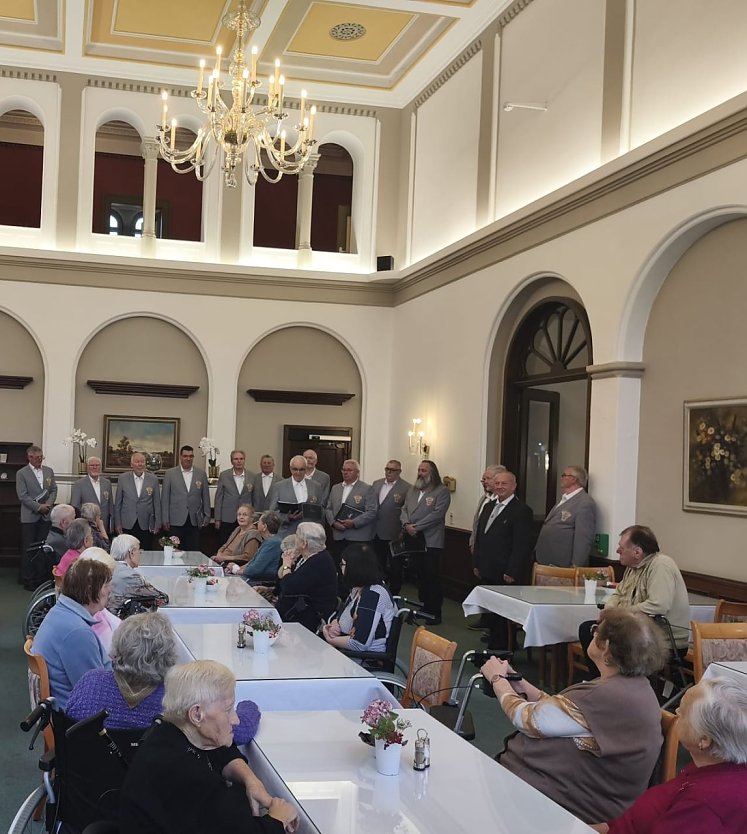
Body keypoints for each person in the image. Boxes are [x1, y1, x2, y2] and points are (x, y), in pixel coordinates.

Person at [481, 608, 668, 825]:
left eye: (596, 630)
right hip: (586, 793)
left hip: (569, 805)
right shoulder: (633, 687)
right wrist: (520, 684)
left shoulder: (605, 695)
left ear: (607, 647)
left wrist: (497, 680)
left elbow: (527, 720)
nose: (593, 633)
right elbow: (565, 713)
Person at [120, 660, 298, 834]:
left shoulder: (168, 732)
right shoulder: (189, 776)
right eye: (228, 710)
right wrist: (278, 818)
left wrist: (251, 780)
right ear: (197, 714)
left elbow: (218, 751)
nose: (235, 720)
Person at [591, 677, 747, 834]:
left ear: (704, 740)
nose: (676, 712)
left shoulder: (704, 807)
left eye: (683, 713)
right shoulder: (716, 766)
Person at [579, 525, 691, 662]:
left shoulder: (661, 566)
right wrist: (609, 610)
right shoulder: (632, 568)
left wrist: (618, 614)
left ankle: (614, 676)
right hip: (637, 631)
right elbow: (618, 594)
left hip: (662, 640)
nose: (617, 550)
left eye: (621, 548)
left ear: (637, 552)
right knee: (588, 629)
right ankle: (603, 675)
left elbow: (658, 605)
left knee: (603, 638)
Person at [67, 612, 177, 729]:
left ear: (119, 646)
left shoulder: (90, 683)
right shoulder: (172, 700)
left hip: (89, 740)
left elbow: (69, 719)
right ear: (167, 653)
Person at [32, 557, 113, 710]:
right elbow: (95, 693)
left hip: (67, 708)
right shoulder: (77, 633)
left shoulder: (60, 612)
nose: (110, 589)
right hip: (77, 717)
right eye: (106, 585)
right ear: (89, 590)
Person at [472, 469, 534, 648]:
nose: (499, 487)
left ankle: (504, 651)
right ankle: (493, 648)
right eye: (497, 483)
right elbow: (480, 537)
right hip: (486, 569)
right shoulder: (489, 506)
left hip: (505, 571)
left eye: (504, 483)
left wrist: (512, 570)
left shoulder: (522, 510)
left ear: (514, 486)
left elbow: (522, 544)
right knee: (490, 613)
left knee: (503, 616)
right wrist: (476, 563)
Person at [400, 459, 451, 624]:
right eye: (419, 470)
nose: (420, 473)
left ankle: (435, 612)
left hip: (431, 541)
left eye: (424, 470)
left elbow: (437, 514)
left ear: (432, 473)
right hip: (413, 539)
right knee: (420, 575)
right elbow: (404, 509)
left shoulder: (441, 491)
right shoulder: (412, 489)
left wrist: (417, 527)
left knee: (431, 576)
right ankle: (425, 607)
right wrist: (406, 524)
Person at [322, 543, 397, 654]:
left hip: (363, 658)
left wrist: (330, 639)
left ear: (353, 568)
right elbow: (343, 614)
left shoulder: (372, 595)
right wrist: (335, 624)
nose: (341, 568)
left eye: (343, 564)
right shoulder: (359, 588)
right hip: (348, 648)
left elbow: (359, 644)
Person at [275, 521, 337, 632]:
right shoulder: (305, 556)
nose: (294, 538)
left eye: (297, 536)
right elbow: (281, 577)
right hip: (294, 609)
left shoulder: (319, 562)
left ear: (304, 544)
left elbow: (288, 587)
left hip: (309, 616)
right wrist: (289, 561)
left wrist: (286, 565)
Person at [535, 465, 597, 567]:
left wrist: (576, 566)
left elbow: (583, 539)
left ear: (573, 479)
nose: (561, 478)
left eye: (564, 475)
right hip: (548, 560)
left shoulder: (584, 503)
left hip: (563, 564)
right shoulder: (565, 499)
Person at [325, 459, 377, 571]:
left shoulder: (367, 489)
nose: (345, 472)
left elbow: (372, 511)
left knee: (357, 569)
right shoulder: (335, 488)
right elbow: (328, 508)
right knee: (339, 567)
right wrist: (333, 523)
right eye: (344, 470)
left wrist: (354, 522)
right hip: (339, 536)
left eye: (349, 470)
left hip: (358, 537)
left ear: (357, 472)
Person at [17, 444, 58, 588]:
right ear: (29, 457)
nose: (40, 460)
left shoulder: (48, 471)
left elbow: (53, 490)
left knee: (43, 547)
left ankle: (41, 579)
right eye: (37, 458)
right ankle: (28, 579)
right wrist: (38, 507)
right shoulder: (22, 473)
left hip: (45, 516)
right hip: (29, 517)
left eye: (41, 457)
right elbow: (22, 495)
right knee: (29, 548)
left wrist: (48, 505)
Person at [370, 459, 411, 593]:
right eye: (387, 469)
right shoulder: (377, 484)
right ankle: (378, 590)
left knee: (395, 566)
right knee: (377, 563)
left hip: (395, 533)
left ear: (399, 472)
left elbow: (407, 510)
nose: (389, 472)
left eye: (392, 470)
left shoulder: (407, 488)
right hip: (376, 531)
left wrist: (403, 530)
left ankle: (394, 593)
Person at [161, 445, 210, 552]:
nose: (188, 459)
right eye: (185, 456)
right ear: (180, 457)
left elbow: (205, 496)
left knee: (193, 551)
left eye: (191, 456)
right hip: (175, 520)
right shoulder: (170, 474)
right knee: (174, 551)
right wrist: (165, 519)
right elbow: (165, 498)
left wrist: (207, 515)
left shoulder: (201, 474)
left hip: (194, 520)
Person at [113, 451, 161, 549]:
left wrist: (158, 522)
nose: (140, 464)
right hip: (127, 522)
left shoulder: (153, 479)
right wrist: (117, 523)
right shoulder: (123, 478)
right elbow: (118, 503)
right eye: (137, 462)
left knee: (146, 550)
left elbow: (157, 503)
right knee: (127, 551)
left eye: (142, 462)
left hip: (146, 523)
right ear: (131, 464)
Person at [269, 455, 322, 538]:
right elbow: (272, 513)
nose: (298, 473)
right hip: (287, 534)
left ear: (306, 469)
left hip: (309, 535)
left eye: (301, 469)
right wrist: (287, 517)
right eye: (295, 469)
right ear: (290, 469)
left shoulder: (316, 486)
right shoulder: (279, 486)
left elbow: (321, 511)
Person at [109, 533, 162, 610]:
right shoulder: (130, 576)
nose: (140, 553)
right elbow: (160, 598)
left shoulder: (108, 567)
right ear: (132, 552)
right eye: (139, 550)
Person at [214, 450, 255, 546]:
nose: (239, 461)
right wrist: (217, 518)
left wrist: (254, 517)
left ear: (244, 460)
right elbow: (218, 498)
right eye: (236, 459)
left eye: (241, 459)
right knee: (225, 544)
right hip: (228, 517)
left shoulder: (252, 476)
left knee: (243, 545)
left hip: (246, 518)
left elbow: (254, 498)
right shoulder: (224, 475)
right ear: (231, 461)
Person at [234, 512, 283, 582]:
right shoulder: (269, 541)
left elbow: (254, 570)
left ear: (264, 527)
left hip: (261, 582)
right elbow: (252, 563)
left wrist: (236, 570)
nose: (256, 524)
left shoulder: (273, 543)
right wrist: (238, 568)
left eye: (259, 522)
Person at [71, 456, 113, 533]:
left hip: (104, 525)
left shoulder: (107, 483)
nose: (95, 467)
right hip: (86, 525)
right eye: (92, 465)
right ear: (87, 467)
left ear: (100, 467)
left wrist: (112, 526)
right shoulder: (79, 484)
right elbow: (75, 506)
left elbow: (110, 506)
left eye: (97, 465)